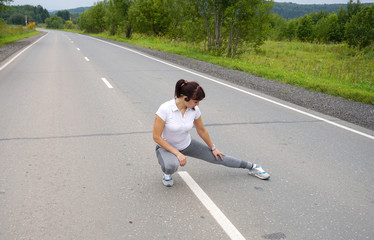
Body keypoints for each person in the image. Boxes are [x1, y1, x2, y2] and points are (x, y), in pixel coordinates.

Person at [153, 79, 270, 187]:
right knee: (171, 166)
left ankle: (253, 167)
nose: (197, 104)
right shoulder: (165, 109)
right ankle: (166, 173)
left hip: (186, 144)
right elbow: (156, 137)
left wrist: (213, 147)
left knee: (219, 157)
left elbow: (201, 130)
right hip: (166, 147)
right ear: (185, 98)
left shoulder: (194, 110)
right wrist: (177, 153)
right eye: (196, 101)